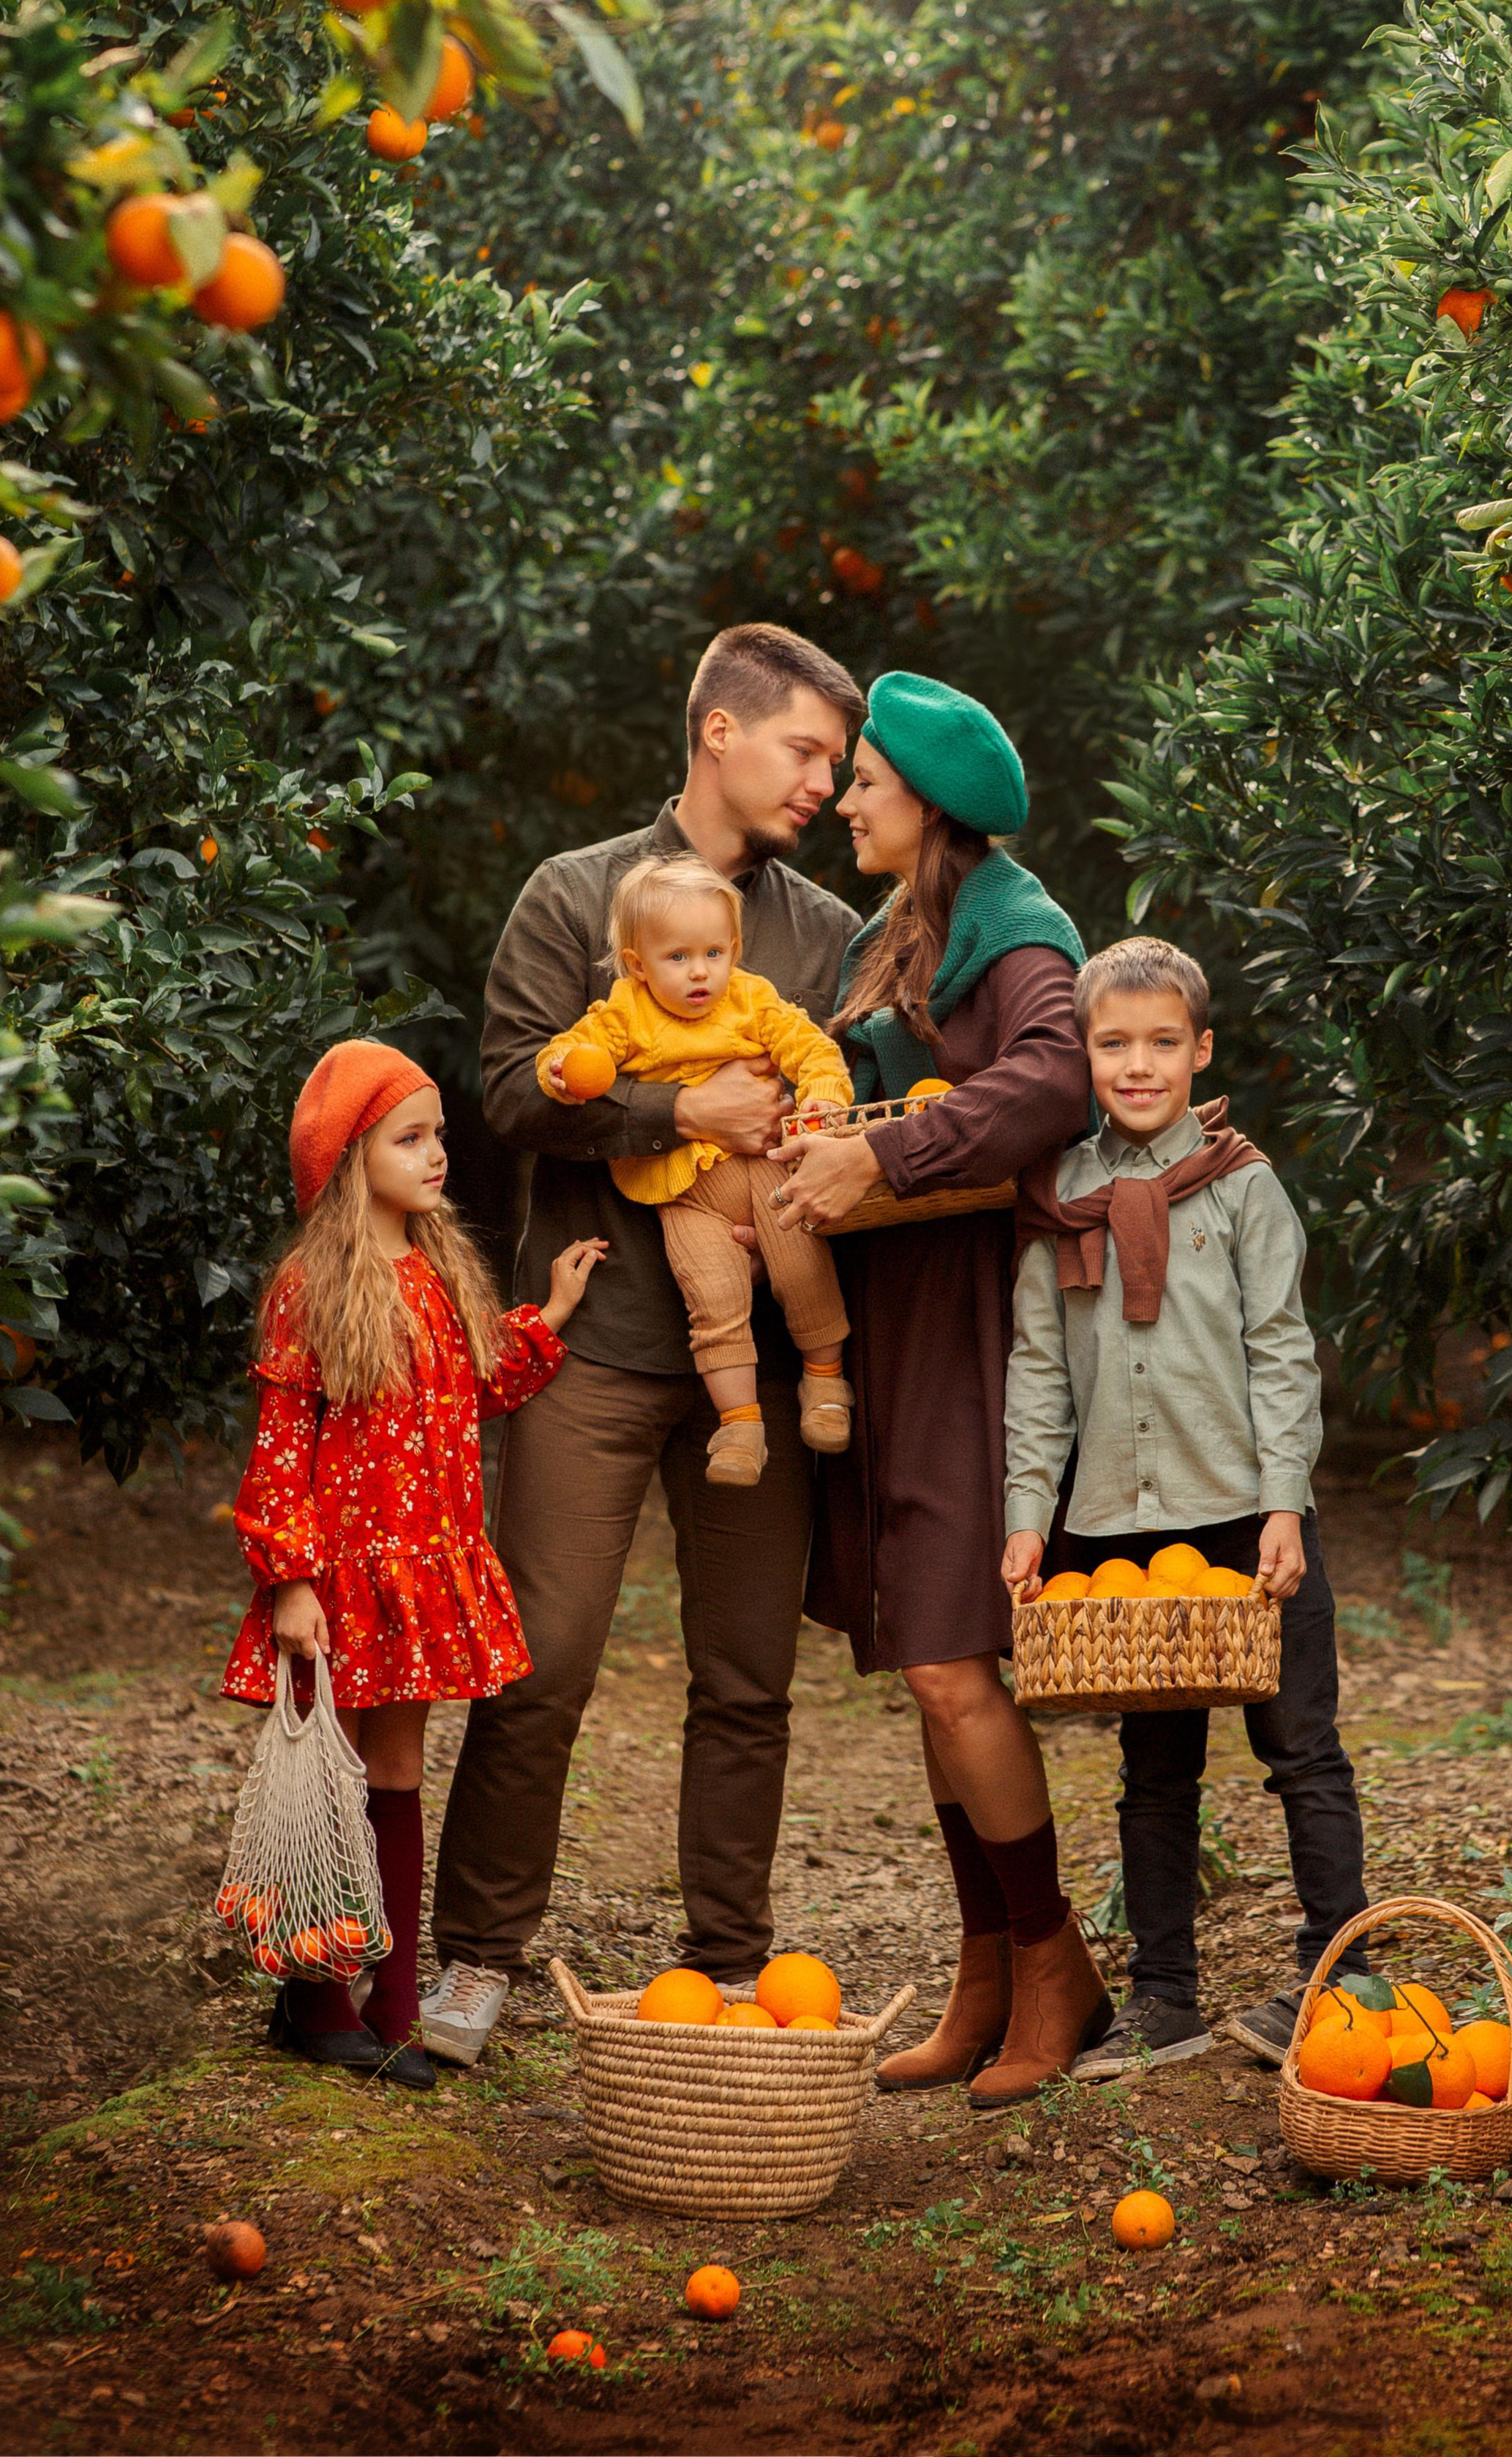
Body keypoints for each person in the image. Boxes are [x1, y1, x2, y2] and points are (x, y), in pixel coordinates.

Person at [426, 623, 864, 2066]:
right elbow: (502, 1091)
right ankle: (478, 1959)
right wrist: (677, 1116)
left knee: (745, 1676)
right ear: (719, 734)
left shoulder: (820, 935)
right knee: (539, 1662)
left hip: (759, 1372)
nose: (824, 781)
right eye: (805, 751)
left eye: (837, 762)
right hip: (601, 1347)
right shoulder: (572, 898)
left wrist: (808, 1146)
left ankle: (726, 1968)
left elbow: (853, 1107)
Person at [767, 670, 1106, 2111]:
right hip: (891, 1321)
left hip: (979, 1323)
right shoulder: (881, 938)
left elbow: (1055, 1082)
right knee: (922, 1653)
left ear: (930, 802)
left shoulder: (1019, 934)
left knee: (954, 1655)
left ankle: (1052, 1962)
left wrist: (889, 1156)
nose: (846, 799)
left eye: (867, 781)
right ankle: (984, 1962)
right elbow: (855, 1090)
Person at [1004, 934, 1369, 2077]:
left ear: (1199, 1049)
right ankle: (1167, 1997)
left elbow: (1281, 1354)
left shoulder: (1245, 1187)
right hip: (1120, 1528)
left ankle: (1338, 1968)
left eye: (1163, 1042)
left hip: (1245, 1510)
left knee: (1300, 1746)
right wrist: (1029, 1513)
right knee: (1154, 1771)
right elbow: (1038, 1368)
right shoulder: (1063, 1195)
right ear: (1085, 1054)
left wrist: (1281, 1502)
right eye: (1114, 1044)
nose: (1139, 1064)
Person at [222, 1040, 604, 2088]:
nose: (438, 1154)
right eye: (412, 1137)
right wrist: (291, 1578)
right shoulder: (312, 1288)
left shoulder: (436, 1274)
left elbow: (465, 1391)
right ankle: (315, 1994)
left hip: (423, 1573)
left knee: (394, 1776)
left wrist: (548, 1321)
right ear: (351, 1158)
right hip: (343, 1578)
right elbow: (279, 1447)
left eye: (438, 1133)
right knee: (330, 1780)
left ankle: (388, 2002)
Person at [536, 851, 856, 1488]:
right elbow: (578, 1048)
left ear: (734, 950)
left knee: (802, 1265)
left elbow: (811, 1045)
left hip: (765, 1168)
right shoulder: (629, 1010)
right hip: (685, 1190)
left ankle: (825, 1384)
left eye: (714, 952)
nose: (700, 972)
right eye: (677, 958)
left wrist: (823, 1093)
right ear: (637, 966)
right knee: (712, 1299)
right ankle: (739, 1425)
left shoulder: (751, 998)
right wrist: (564, 1070)